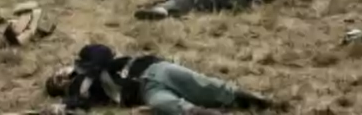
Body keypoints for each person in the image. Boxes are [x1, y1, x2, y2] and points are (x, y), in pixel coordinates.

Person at [45, 43, 285, 113]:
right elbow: (84, 106)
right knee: (165, 105)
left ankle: (259, 101)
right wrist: (64, 104)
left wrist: (88, 68)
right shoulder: (80, 92)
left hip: (153, 69)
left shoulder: (86, 57)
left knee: (206, 86)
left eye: (58, 75)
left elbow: (104, 53)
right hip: (143, 92)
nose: (63, 77)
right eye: (59, 82)